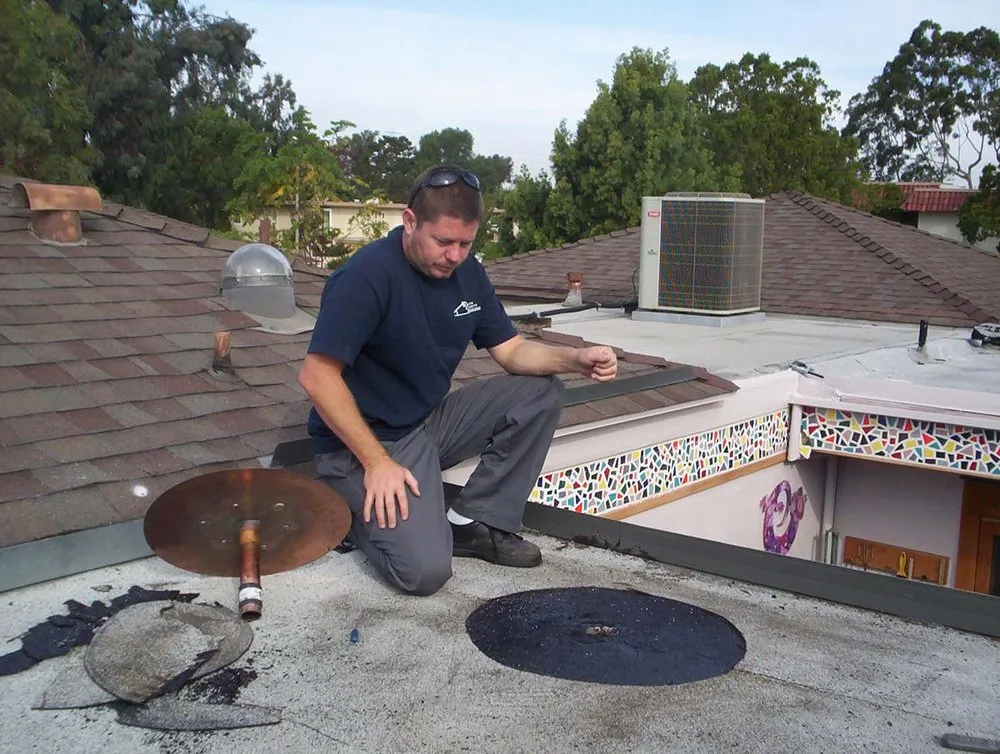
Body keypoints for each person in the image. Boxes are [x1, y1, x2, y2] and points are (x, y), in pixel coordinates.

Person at [298, 164, 618, 596]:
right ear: (410, 222)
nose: (455, 255)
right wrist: (376, 463)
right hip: (360, 447)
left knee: (542, 393)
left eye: (466, 243)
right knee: (426, 572)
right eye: (443, 242)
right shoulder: (366, 277)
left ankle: (474, 521)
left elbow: (513, 352)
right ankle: (350, 511)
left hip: (427, 425)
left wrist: (574, 358)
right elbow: (317, 376)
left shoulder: (467, 274)